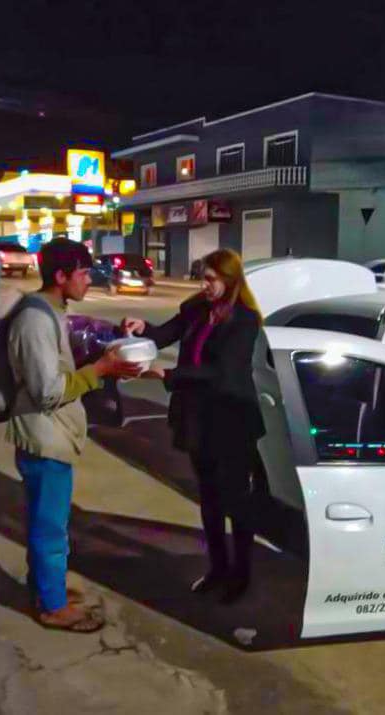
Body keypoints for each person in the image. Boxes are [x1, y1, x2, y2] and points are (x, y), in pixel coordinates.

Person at [8, 238, 142, 632]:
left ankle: (46, 589)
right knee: (51, 527)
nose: (89, 280)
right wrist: (100, 370)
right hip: (43, 437)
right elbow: (47, 391)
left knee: (47, 522)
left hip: (51, 435)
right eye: (83, 273)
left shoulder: (51, 310)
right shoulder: (35, 319)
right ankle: (52, 606)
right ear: (61, 276)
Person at [122, 249, 265, 604]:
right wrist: (144, 330)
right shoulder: (197, 309)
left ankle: (240, 575)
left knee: (236, 501)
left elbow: (224, 373)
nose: (204, 285)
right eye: (202, 277)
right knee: (210, 499)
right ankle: (217, 568)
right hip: (197, 419)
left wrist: (168, 375)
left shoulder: (245, 320)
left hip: (232, 421)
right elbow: (166, 333)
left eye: (211, 279)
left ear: (230, 281)